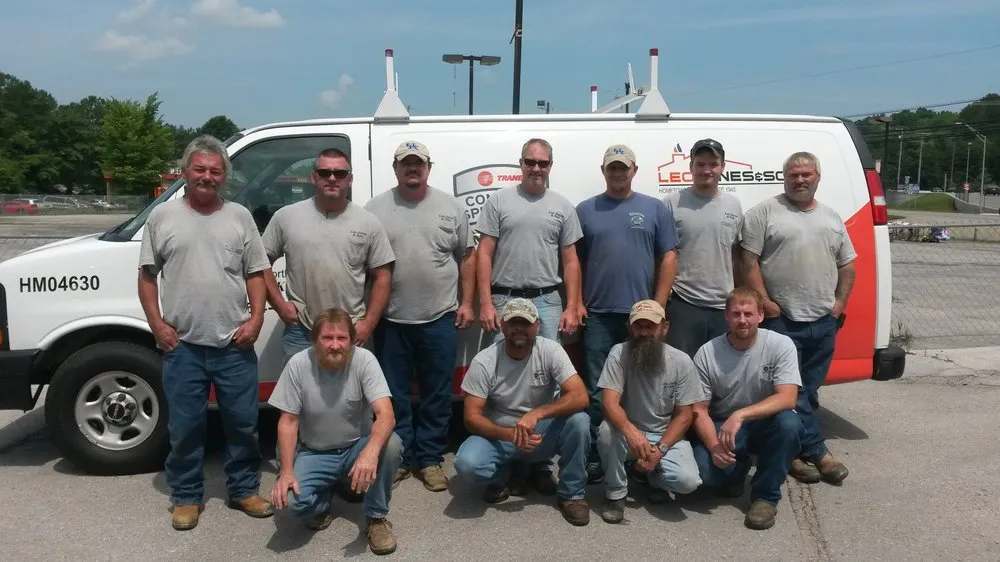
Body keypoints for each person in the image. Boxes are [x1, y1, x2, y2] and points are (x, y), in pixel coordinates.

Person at [137, 135, 274, 531]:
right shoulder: (162, 218)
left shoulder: (240, 217)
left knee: (243, 424)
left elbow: (255, 273)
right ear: (185, 172)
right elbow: (147, 278)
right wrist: (157, 324)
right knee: (184, 427)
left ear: (224, 176)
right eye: (200, 169)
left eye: (215, 171)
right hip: (183, 346)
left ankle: (244, 489)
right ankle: (185, 496)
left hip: (234, 344)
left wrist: (256, 319)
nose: (207, 176)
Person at [365, 141, 476, 492]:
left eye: (418, 163)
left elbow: (467, 258)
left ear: (429, 166)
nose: (412, 169)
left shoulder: (450, 207)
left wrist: (467, 301)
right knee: (393, 393)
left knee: (437, 393)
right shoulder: (375, 209)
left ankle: (429, 459)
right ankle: (399, 457)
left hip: (439, 317)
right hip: (390, 321)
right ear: (395, 168)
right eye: (405, 164)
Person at [739, 151, 855, 486]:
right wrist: (765, 303)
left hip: (823, 321)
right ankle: (819, 453)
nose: (800, 180)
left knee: (810, 390)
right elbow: (748, 261)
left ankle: (790, 452)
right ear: (784, 177)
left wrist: (839, 304)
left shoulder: (831, 217)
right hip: (783, 321)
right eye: (793, 175)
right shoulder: (765, 212)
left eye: (806, 174)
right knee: (795, 391)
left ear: (818, 176)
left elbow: (847, 265)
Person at [575, 143, 678, 483]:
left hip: (642, 318)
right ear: (603, 170)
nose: (618, 173)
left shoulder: (654, 209)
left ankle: (640, 454)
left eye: (624, 167)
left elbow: (669, 257)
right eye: (612, 167)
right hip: (600, 315)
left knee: (643, 389)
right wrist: (577, 301)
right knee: (596, 390)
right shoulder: (585, 210)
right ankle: (595, 455)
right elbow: (575, 261)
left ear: (634, 170)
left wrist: (658, 305)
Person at [268, 308, 402, 556]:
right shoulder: (298, 364)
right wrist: (286, 472)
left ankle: (376, 518)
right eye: (327, 338)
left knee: (391, 445)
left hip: (355, 449)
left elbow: (386, 414)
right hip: (314, 452)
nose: (335, 345)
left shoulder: (365, 360)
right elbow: (287, 421)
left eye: (342, 338)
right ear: (314, 340)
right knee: (290, 504)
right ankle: (324, 498)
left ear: (352, 341)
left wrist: (370, 453)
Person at [453, 298, 592, 526]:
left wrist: (536, 414)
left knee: (580, 421)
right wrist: (508, 435)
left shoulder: (551, 350)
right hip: (501, 435)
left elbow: (580, 396)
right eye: (513, 323)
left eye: (525, 324)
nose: (519, 329)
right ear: (503, 326)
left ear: (537, 326)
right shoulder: (484, 361)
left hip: (540, 434)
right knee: (467, 464)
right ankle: (502, 476)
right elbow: (471, 418)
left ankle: (572, 495)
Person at [261, 147, 395, 361]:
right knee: (300, 393)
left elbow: (383, 275)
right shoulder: (286, 217)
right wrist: (279, 305)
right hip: (301, 331)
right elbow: (260, 263)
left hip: (349, 331)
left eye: (340, 174)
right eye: (324, 173)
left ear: (349, 179)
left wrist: (368, 323)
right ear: (313, 177)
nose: (332, 178)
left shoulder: (368, 222)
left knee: (350, 394)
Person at [690, 287, 802, 530]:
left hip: (764, 422)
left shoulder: (780, 345)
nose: (742, 320)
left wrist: (740, 414)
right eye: (736, 314)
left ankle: (765, 497)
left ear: (760, 315)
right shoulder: (708, 352)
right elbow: (698, 409)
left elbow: (788, 398)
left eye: (748, 314)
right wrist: (713, 446)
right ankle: (736, 469)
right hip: (724, 427)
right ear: (726, 316)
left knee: (789, 423)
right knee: (703, 475)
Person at [595, 299, 702, 524]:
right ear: (630, 328)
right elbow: (609, 402)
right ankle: (616, 494)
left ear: (664, 328)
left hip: (664, 435)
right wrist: (630, 431)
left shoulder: (681, 361)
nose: (644, 332)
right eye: (639, 326)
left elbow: (685, 414)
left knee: (687, 482)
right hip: (628, 431)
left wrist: (660, 450)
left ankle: (651, 476)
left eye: (650, 326)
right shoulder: (619, 353)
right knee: (606, 432)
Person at [476, 137, 584, 343]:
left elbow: (571, 262)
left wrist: (571, 307)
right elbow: (484, 254)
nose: (536, 168)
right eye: (530, 162)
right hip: (503, 300)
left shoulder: (563, 206)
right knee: (501, 367)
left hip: (548, 301)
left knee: (549, 366)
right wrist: (485, 303)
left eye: (543, 163)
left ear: (550, 166)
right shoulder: (498, 201)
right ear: (521, 163)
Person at [663, 138, 744, 357]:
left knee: (721, 373)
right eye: (700, 164)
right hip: (684, 304)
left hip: (724, 306)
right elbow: (662, 256)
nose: (706, 170)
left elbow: (736, 255)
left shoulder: (733, 205)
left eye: (713, 164)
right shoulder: (671, 203)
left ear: (722, 167)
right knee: (682, 371)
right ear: (691, 167)